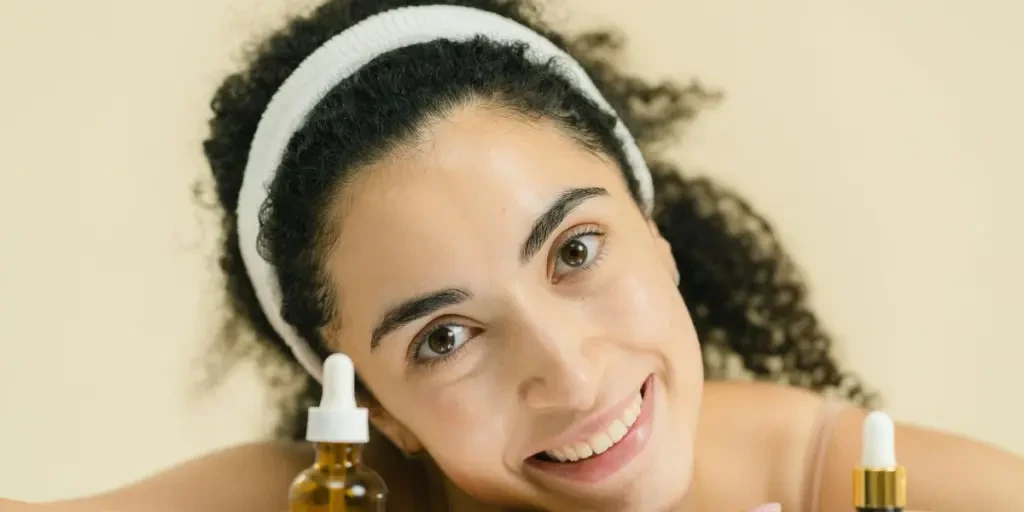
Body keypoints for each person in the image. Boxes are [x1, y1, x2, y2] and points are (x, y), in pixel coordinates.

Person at [5, 0, 1022, 511]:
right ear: (374, 410)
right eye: (444, 335)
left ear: (653, 227)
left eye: (575, 247)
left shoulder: (822, 470)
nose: (570, 373)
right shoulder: (319, 490)